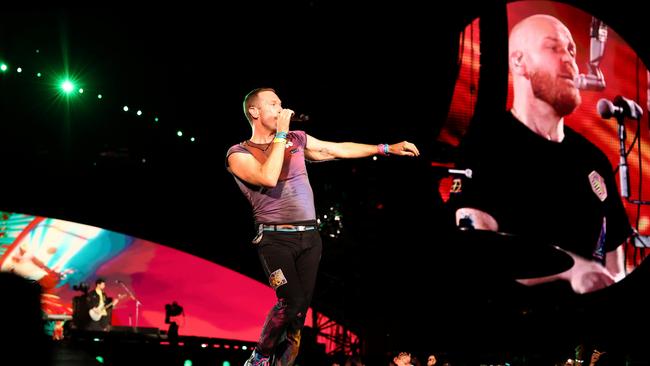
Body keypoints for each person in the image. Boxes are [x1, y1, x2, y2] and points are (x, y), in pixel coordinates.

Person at [226, 87, 420, 366]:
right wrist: (281, 133)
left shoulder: (297, 139)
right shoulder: (238, 153)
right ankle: (260, 356)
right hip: (275, 240)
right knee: (290, 301)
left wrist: (386, 148)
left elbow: (335, 149)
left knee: (299, 314)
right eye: (273, 104)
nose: (281, 109)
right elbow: (267, 177)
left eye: (281, 104)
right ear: (254, 112)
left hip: (309, 238)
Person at [451, 14, 632, 294]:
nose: (570, 60)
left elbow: (614, 261)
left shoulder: (593, 159)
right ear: (519, 62)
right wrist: (572, 271)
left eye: (571, 50)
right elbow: (478, 254)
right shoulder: (485, 146)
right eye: (553, 48)